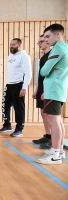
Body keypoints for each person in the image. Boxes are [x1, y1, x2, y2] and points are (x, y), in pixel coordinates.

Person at [36, 24, 68, 165]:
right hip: (55, 89)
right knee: (59, 121)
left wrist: (49, 67)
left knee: (54, 122)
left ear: (58, 35)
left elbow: (43, 71)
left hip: (55, 90)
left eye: (48, 36)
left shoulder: (59, 48)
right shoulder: (63, 48)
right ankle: (59, 150)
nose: (46, 39)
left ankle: (55, 155)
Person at [0, 38, 32, 137]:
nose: (11, 46)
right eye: (10, 44)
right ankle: (7, 125)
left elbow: (28, 73)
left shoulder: (24, 56)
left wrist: (24, 87)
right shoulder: (11, 56)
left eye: (13, 45)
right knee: (5, 105)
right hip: (9, 84)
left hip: (19, 84)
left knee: (19, 108)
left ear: (19, 45)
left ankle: (19, 129)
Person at [32, 35, 52, 148]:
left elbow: (51, 76)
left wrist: (47, 91)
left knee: (50, 115)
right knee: (43, 113)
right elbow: (41, 76)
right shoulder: (43, 57)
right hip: (41, 87)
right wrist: (37, 89)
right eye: (38, 42)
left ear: (47, 42)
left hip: (48, 88)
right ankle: (48, 136)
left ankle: (53, 139)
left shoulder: (51, 56)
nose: (39, 44)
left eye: (41, 42)